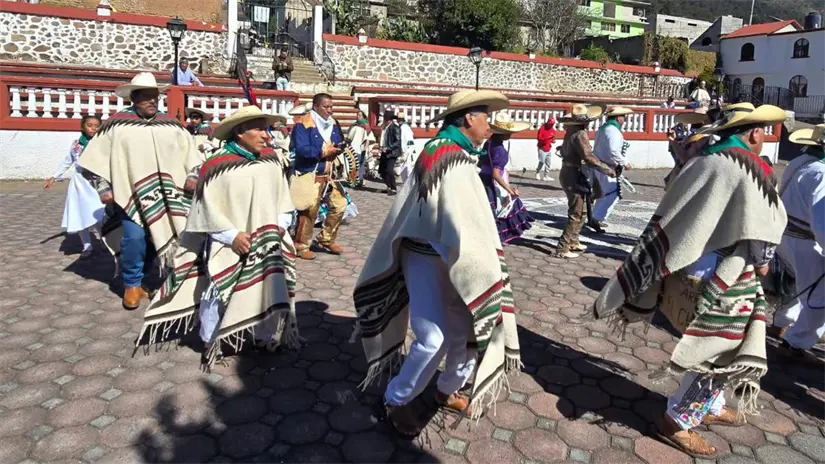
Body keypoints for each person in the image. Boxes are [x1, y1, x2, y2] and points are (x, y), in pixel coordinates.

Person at [593, 102, 788, 458]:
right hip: (723, 274)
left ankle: (710, 405)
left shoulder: (703, 159)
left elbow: (673, 203)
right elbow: (766, 228)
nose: (765, 139)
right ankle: (677, 420)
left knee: (719, 346)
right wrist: (763, 264)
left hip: (687, 267)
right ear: (755, 133)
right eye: (765, 132)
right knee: (716, 348)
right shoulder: (752, 168)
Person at [353, 90, 521, 436]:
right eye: (485, 118)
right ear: (469, 118)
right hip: (428, 258)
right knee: (433, 338)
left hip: (452, 259)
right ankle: (395, 399)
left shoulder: (458, 154)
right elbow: (436, 220)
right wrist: (472, 268)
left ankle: (447, 389)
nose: (489, 126)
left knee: (464, 332)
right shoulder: (445, 156)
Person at [138, 106, 300, 368]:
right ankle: (213, 341)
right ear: (240, 132)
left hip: (268, 238)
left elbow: (283, 199)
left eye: (266, 129)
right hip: (227, 242)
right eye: (259, 129)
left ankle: (263, 337)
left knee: (267, 286)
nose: (266, 136)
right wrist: (232, 235)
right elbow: (205, 208)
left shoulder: (271, 161)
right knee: (217, 292)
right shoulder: (215, 166)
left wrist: (280, 226)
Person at [80, 72, 202, 310]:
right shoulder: (117, 126)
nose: (151, 101)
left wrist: (193, 175)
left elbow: (193, 156)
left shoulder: (171, 125)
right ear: (134, 98)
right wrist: (104, 187)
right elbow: (92, 161)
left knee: (165, 236)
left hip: (169, 196)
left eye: (155, 97)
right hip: (132, 196)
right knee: (134, 238)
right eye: (145, 97)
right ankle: (131, 284)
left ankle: (169, 280)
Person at [767, 123, 825, 363]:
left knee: (798, 286)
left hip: (786, 236)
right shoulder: (822, 172)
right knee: (819, 297)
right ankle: (796, 343)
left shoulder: (801, 163)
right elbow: (822, 221)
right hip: (805, 241)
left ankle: (782, 323)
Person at [291, 93, 346, 260]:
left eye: (331, 107)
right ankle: (301, 246)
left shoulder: (334, 124)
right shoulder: (302, 123)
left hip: (330, 175)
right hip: (310, 173)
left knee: (340, 204)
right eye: (326, 107)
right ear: (315, 106)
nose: (330, 110)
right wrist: (323, 151)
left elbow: (339, 142)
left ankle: (326, 239)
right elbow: (300, 149)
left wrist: (341, 148)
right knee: (309, 210)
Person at [555, 104, 615, 259]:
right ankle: (562, 248)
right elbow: (588, 157)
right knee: (576, 212)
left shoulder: (570, 132)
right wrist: (606, 169)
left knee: (582, 210)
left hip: (569, 172)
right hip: (573, 174)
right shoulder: (580, 134)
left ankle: (574, 240)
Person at [44, 115, 104, 259]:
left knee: (99, 214)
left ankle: (106, 242)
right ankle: (87, 246)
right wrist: (54, 176)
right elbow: (68, 161)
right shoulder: (77, 144)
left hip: (96, 182)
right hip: (79, 183)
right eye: (90, 125)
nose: (93, 128)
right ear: (83, 126)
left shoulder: (102, 143)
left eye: (96, 126)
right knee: (80, 214)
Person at [481, 113, 534, 244]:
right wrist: (509, 189)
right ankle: (496, 239)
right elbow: (495, 174)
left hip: (482, 179)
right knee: (503, 209)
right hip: (492, 184)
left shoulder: (488, 143)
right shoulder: (500, 151)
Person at [589, 107, 634, 233]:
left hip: (600, 164)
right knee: (611, 194)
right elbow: (613, 150)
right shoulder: (612, 130)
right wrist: (625, 162)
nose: (624, 120)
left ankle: (596, 216)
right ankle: (596, 217)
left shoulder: (604, 128)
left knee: (603, 193)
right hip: (606, 166)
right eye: (623, 117)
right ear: (618, 118)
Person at [346, 110, 375, 187]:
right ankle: (353, 181)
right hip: (352, 147)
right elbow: (349, 136)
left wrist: (366, 148)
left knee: (360, 165)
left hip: (361, 148)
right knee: (352, 164)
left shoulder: (366, 126)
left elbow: (369, 138)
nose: (357, 116)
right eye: (357, 115)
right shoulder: (354, 125)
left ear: (363, 116)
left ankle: (361, 180)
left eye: (359, 115)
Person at [379, 111, 402, 195]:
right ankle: (388, 186)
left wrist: (388, 148)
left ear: (388, 119)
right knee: (382, 170)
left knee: (389, 170)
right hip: (384, 151)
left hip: (392, 152)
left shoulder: (394, 127)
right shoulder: (385, 127)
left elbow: (398, 141)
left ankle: (393, 188)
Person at [397, 111, 416, 183]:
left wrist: (404, 150)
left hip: (406, 149)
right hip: (406, 148)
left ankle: (409, 183)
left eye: (399, 119)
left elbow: (405, 139)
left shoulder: (403, 127)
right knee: (405, 167)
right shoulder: (404, 127)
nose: (398, 120)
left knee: (407, 167)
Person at [535, 116, 556, 181]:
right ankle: (537, 172)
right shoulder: (542, 129)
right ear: (547, 122)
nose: (551, 125)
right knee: (541, 161)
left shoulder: (553, 130)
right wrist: (548, 138)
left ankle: (546, 176)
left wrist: (553, 141)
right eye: (550, 124)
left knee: (548, 163)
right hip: (542, 148)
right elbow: (539, 139)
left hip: (548, 148)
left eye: (552, 124)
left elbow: (552, 138)